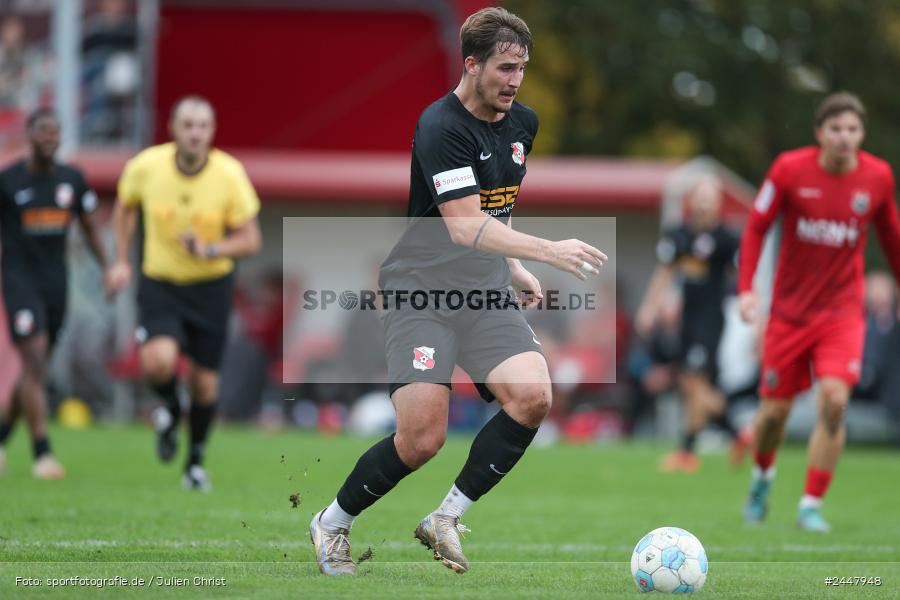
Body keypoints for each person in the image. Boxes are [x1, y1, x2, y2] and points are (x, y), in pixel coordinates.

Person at [309, 7, 608, 576]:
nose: (515, 80)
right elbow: (465, 224)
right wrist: (547, 252)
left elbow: (499, 202)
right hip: (422, 292)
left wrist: (515, 264)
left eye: (522, 67)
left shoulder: (523, 123)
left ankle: (445, 517)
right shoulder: (439, 126)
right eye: (504, 68)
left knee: (534, 397)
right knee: (422, 438)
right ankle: (332, 522)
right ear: (471, 64)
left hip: (485, 289)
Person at [738, 92, 900, 532]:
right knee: (774, 415)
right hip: (789, 315)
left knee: (834, 400)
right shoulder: (790, 169)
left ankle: (811, 502)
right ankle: (762, 477)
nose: (845, 138)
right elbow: (756, 227)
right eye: (836, 129)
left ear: (861, 134)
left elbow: (892, 237)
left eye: (853, 130)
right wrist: (748, 290)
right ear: (820, 133)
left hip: (843, 313)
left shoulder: (878, 177)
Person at [105, 95, 261, 491]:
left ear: (212, 131)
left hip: (211, 287)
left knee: (204, 384)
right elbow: (125, 208)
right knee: (157, 362)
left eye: (203, 126)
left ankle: (194, 464)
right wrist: (121, 260)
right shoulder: (145, 166)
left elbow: (250, 240)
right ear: (173, 128)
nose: (195, 133)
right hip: (161, 282)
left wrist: (210, 249)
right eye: (188, 125)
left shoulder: (229, 174)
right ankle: (172, 411)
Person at [0, 108, 107, 478]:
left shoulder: (72, 180)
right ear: (29, 136)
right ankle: (42, 453)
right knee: (33, 360)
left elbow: (90, 229)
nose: (49, 138)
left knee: (36, 367)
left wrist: (109, 268)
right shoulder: (8, 181)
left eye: (55, 132)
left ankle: (0, 439)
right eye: (43, 132)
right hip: (19, 282)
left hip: (55, 284)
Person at [635, 175, 747, 473]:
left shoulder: (727, 238)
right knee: (688, 383)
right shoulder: (678, 235)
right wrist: (650, 308)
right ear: (691, 201)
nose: (705, 203)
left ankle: (687, 452)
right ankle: (738, 433)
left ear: (718, 204)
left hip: (712, 319)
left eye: (711, 198)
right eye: (700, 197)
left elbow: (742, 277)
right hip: (687, 318)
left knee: (695, 381)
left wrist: (750, 308)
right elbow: (664, 274)